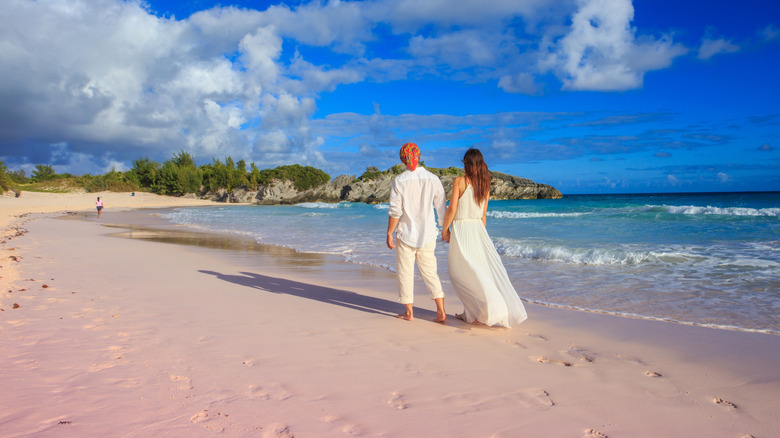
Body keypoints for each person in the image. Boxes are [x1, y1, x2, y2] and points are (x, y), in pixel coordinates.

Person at [441, 148, 527, 328]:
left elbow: (452, 209)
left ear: (467, 163)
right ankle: (471, 313)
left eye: (464, 162)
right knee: (473, 270)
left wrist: (445, 229)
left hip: (463, 229)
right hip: (478, 229)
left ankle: (492, 308)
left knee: (460, 273)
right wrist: (482, 234)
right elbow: (483, 214)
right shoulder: (485, 184)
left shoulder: (459, 181)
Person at [386, 142, 448, 322]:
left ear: (402, 159)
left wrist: (390, 233)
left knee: (405, 272)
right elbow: (441, 208)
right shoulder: (433, 178)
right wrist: (445, 229)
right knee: (430, 272)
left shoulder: (399, 181)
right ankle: (441, 311)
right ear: (418, 156)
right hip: (428, 234)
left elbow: (395, 211)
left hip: (406, 234)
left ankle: (409, 313)